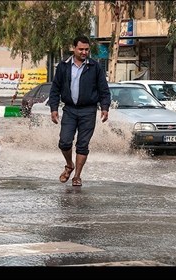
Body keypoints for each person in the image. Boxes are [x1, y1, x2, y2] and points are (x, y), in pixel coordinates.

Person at [48, 35, 111, 187]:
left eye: (87, 50)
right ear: (74, 48)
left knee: (82, 145)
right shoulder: (63, 66)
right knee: (64, 142)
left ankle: (77, 176)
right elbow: (55, 89)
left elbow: (104, 89)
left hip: (88, 111)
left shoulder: (94, 67)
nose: (84, 52)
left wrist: (105, 107)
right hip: (69, 110)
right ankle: (69, 165)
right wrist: (54, 108)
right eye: (81, 49)